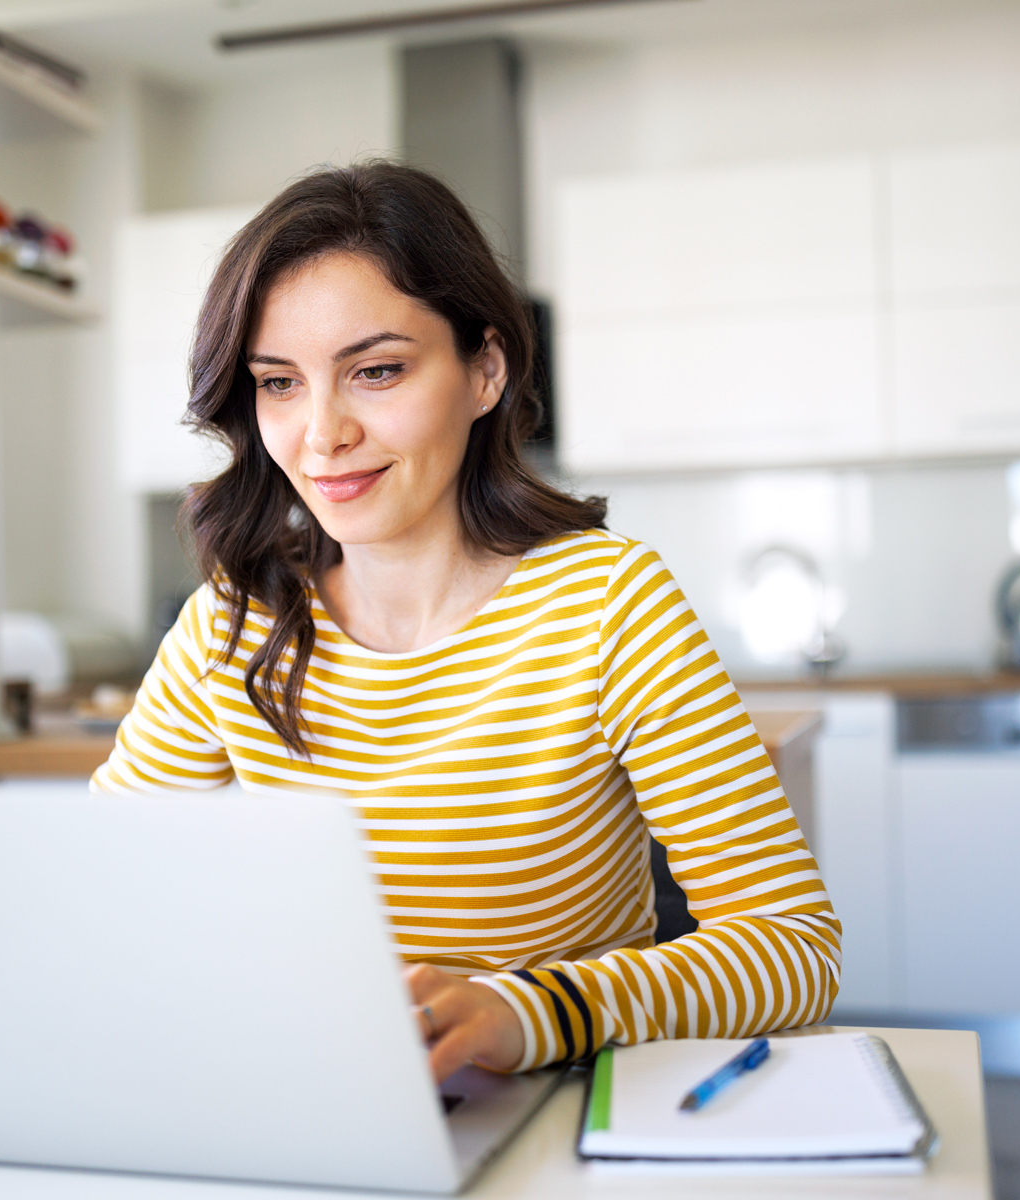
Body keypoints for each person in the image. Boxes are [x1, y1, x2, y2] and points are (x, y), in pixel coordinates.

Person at [95, 162, 840, 1082]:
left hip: (553, 1116)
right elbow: (103, 898)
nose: (322, 434)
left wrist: (531, 1011)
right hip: (319, 1105)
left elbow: (793, 946)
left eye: (375, 371)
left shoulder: (608, 604)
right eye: (279, 383)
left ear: (484, 369)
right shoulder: (233, 625)